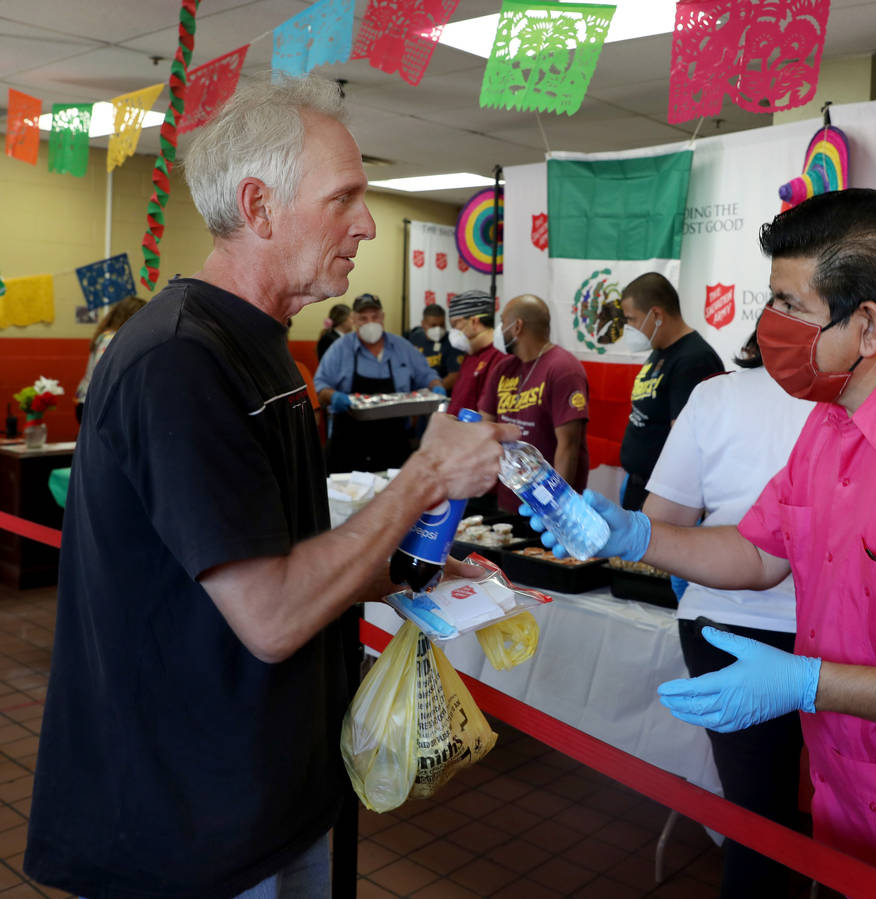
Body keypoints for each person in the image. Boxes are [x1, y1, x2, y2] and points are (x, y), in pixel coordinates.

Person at [24, 74, 517, 899]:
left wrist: (410, 573)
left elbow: (280, 546)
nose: (366, 224)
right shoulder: (178, 362)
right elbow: (275, 613)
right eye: (346, 197)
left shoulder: (258, 347)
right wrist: (424, 477)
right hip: (183, 828)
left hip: (265, 794)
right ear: (259, 208)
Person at [527, 189, 876, 898]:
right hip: (860, 812)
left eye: (789, 305)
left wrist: (808, 682)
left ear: (867, 325)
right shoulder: (832, 419)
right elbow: (760, 554)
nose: (769, 325)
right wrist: (633, 534)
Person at [643, 319, 813, 897]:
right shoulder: (854, 401)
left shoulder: (718, 396)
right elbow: (760, 558)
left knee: (758, 817)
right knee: (811, 819)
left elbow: (662, 523)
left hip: (727, 620)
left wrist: (640, 541)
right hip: (799, 624)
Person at [618, 272, 724, 510]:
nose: (628, 328)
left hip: (665, 497)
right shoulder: (660, 349)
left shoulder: (694, 359)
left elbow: (685, 440)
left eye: (631, 319)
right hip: (639, 487)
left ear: (656, 315)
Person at [479, 294, 590, 511]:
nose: (499, 330)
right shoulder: (503, 369)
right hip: (509, 499)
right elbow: (485, 426)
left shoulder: (563, 369)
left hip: (549, 506)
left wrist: (555, 508)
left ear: (517, 326)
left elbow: (568, 447)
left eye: (503, 322)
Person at [314, 292, 445, 473]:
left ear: (382, 317)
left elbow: (427, 374)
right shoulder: (340, 349)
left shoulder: (402, 347)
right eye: (363, 318)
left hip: (394, 442)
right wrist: (333, 396)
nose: (370, 322)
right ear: (353, 320)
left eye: (375, 317)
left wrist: (437, 387)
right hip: (349, 443)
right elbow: (320, 385)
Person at [73, 295, 146, 423]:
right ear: (130, 317)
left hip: (92, 403)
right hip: (94, 405)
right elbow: (103, 377)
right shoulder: (110, 339)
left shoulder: (110, 336)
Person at [445, 290, 502, 418]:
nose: (454, 331)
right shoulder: (471, 354)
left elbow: (488, 413)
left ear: (474, 322)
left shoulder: (498, 357)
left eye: (456, 324)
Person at [407, 302, 465, 393]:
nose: (438, 329)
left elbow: (455, 375)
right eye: (433, 325)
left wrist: (434, 389)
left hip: (441, 394)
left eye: (441, 325)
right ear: (423, 324)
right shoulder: (415, 337)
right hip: (416, 394)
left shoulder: (453, 342)